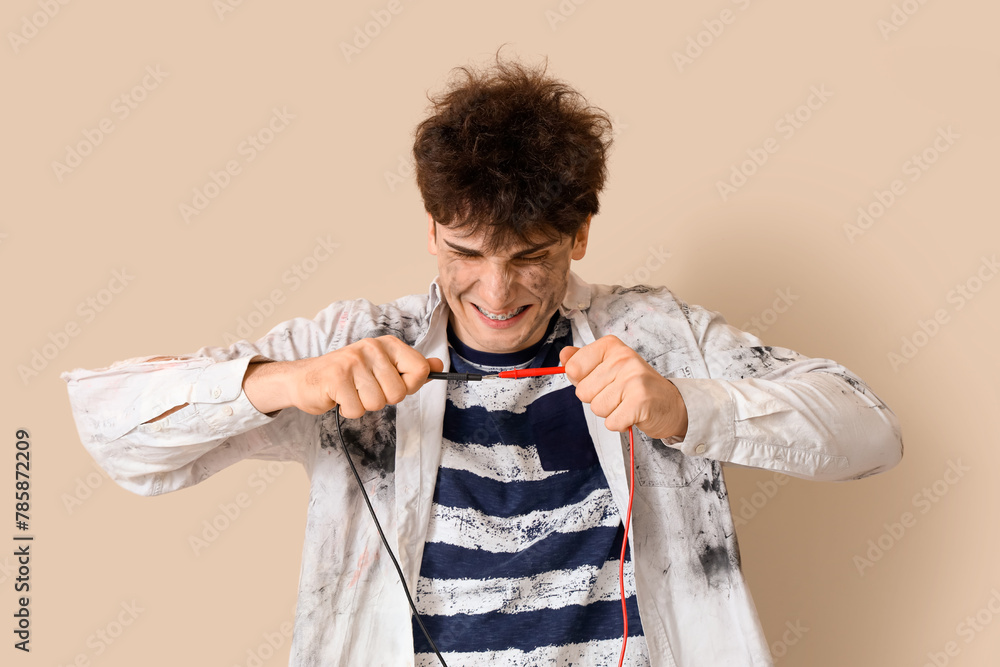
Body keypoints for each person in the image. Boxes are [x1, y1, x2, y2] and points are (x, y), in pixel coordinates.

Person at [61, 51, 903, 667]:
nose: (497, 289)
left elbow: (870, 432)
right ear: (431, 229)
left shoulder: (657, 335)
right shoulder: (359, 342)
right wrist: (288, 382)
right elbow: (108, 422)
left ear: (578, 233)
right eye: (466, 250)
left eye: (531, 253)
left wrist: (686, 406)